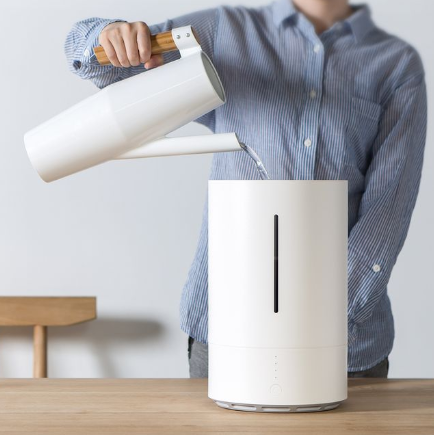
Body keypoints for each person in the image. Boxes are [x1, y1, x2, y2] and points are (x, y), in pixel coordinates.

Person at [66, 0, 427, 378]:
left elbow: (388, 209)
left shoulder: (396, 64)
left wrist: (330, 316)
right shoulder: (225, 33)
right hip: (226, 335)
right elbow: (110, 70)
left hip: (344, 348)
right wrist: (110, 36)